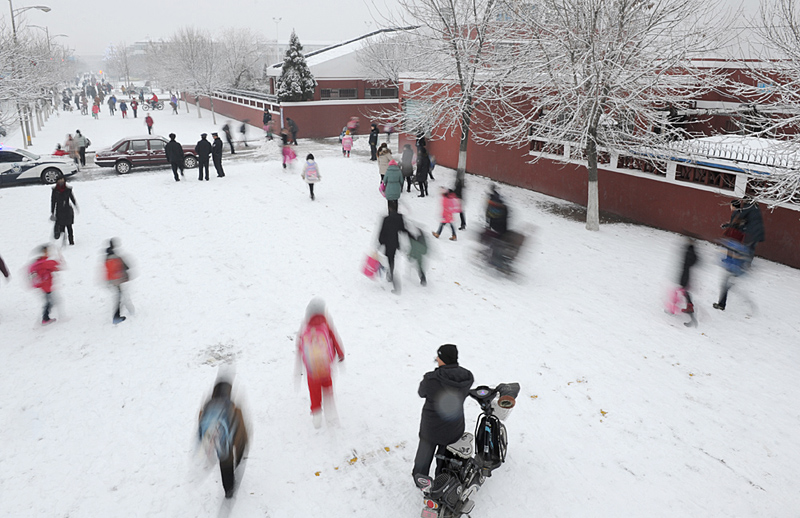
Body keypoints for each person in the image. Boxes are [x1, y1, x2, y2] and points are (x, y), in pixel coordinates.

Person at [412, 344, 474, 487]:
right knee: (445, 457)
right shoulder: (467, 377)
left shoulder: (432, 379)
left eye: (438, 357)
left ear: (443, 359)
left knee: (424, 454)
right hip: (454, 427)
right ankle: (442, 480)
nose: (437, 359)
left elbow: (422, 393)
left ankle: (420, 479)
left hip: (431, 428)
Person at [295, 297, 345, 428]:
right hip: (325, 366)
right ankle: (331, 409)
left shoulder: (305, 327)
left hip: (312, 370)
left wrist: (299, 368)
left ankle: (316, 413)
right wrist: (340, 354)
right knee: (327, 385)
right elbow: (334, 338)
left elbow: (300, 347)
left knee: (314, 391)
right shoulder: (326, 324)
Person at [198, 378, 249, 498]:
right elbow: (241, 430)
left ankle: (228, 490)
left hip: (217, 441)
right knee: (233, 455)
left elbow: (201, 425)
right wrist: (243, 444)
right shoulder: (233, 408)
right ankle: (235, 469)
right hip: (231, 438)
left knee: (224, 461)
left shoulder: (206, 407)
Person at [378, 204, 407, 294]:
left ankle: (395, 284)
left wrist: (380, 242)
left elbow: (382, 231)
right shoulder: (400, 218)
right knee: (391, 260)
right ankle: (389, 274)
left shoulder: (386, 219)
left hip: (387, 243)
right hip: (395, 243)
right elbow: (402, 229)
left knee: (389, 261)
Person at [28, 245, 60, 325]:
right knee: (49, 302)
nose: (48, 253)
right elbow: (56, 265)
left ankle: (45, 318)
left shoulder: (40, 262)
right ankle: (45, 319)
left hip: (44, 284)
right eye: (47, 251)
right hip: (45, 285)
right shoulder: (42, 263)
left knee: (50, 301)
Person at [104, 238, 131, 325]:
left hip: (111, 281)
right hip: (117, 280)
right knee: (119, 297)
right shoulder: (115, 257)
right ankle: (116, 317)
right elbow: (125, 266)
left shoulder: (107, 257)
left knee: (120, 295)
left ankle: (127, 308)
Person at [51, 176, 78, 245]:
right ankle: (63, 240)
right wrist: (52, 212)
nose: (61, 181)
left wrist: (75, 205)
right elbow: (53, 201)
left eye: (62, 180)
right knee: (61, 227)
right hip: (59, 210)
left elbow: (72, 198)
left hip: (67, 210)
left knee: (69, 226)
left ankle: (71, 241)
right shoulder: (55, 190)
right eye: (59, 180)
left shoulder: (68, 189)